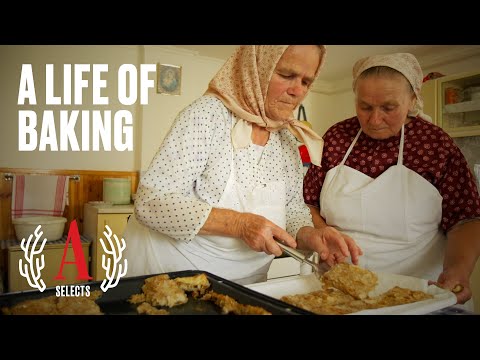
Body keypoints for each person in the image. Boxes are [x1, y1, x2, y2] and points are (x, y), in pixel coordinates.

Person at [123, 45, 362, 285]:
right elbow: (150, 203)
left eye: (306, 81)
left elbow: (292, 210)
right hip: (176, 273)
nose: (297, 91)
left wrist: (311, 235)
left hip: (249, 283)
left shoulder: (287, 140)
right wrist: (239, 224)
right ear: (256, 70)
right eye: (287, 75)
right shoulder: (207, 115)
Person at [303, 52, 480, 307]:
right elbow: (307, 203)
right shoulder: (337, 137)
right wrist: (321, 236)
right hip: (338, 288)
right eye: (365, 106)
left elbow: (466, 219)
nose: (374, 120)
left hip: (417, 293)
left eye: (388, 107)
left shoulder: (434, 144)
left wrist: (458, 269)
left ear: (412, 99)